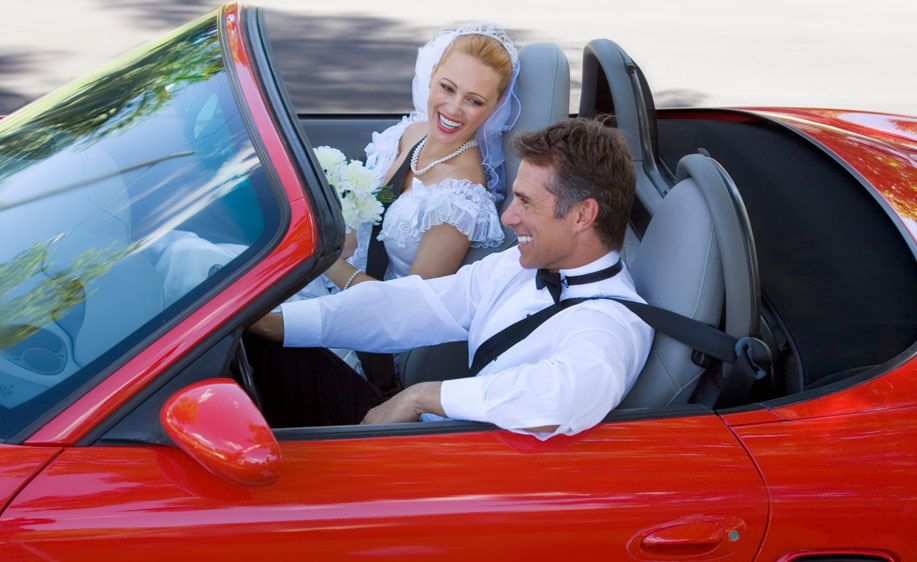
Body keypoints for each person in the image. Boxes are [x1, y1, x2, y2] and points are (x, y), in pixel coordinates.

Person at [251, 118, 654, 440]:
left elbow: (562, 396)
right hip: (430, 436)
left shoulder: (611, 326)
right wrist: (280, 323)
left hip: (456, 476)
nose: (508, 217)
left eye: (526, 203)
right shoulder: (515, 266)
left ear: (583, 215)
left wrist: (423, 396)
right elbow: (410, 306)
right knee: (257, 343)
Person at [322, 23, 521, 290]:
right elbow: (369, 228)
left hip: (374, 315)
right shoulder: (411, 133)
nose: (453, 108)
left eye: (474, 101)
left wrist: (324, 263)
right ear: (432, 75)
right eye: (448, 88)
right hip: (338, 280)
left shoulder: (460, 198)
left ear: (495, 108)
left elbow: (410, 308)